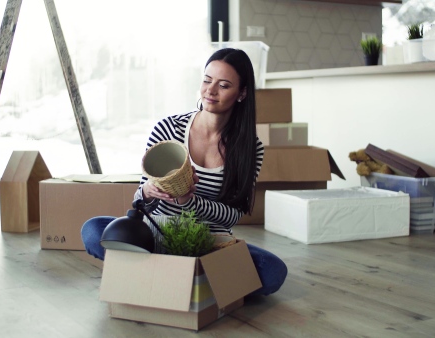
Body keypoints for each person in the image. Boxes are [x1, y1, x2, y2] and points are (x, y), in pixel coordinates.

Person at [81, 48, 287, 296]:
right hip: (155, 234)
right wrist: (147, 191)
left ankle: (164, 277)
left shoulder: (249, 148)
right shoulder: (168, 128)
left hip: (207, 244)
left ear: (242, 93)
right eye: (207, 80)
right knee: (94, 229)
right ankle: (198, 282)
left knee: (273, 271)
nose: (210, 91)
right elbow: (138, 202)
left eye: (223, 85)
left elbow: (232, 216)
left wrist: (189, 201)